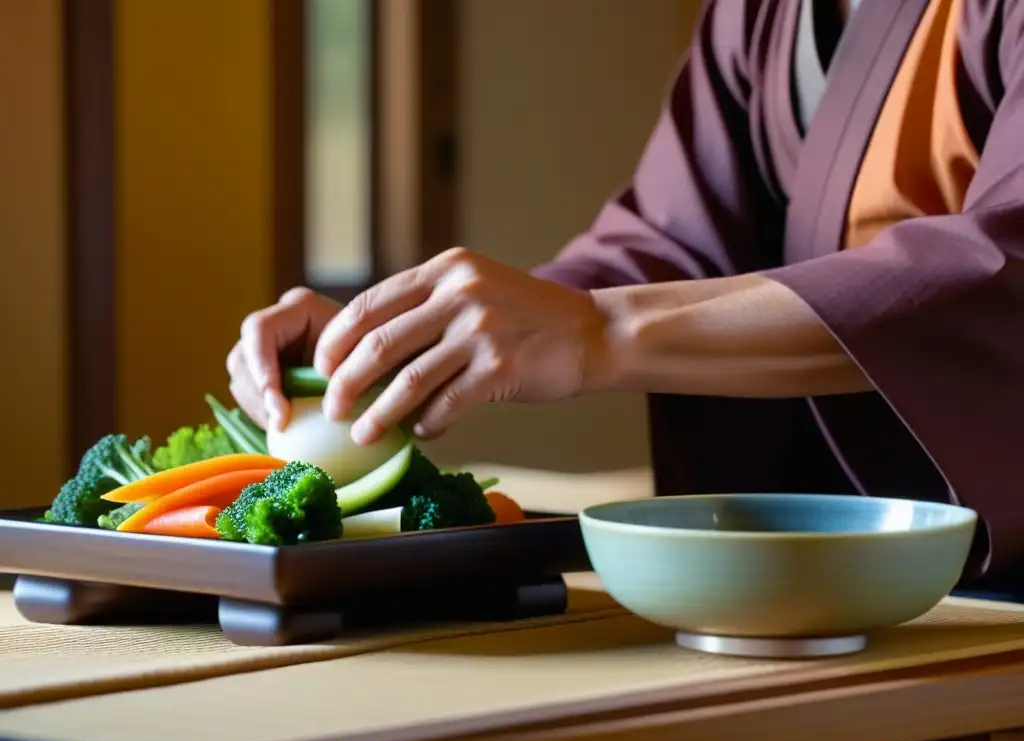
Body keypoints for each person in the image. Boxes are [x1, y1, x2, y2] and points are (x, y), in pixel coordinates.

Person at [228, 0, 1024, 583]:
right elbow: (676, 242)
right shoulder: (758, 16)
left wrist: (597, 332)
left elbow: (1001, 270)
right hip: (807, 583)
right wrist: (428, 333)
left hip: (983, 583)